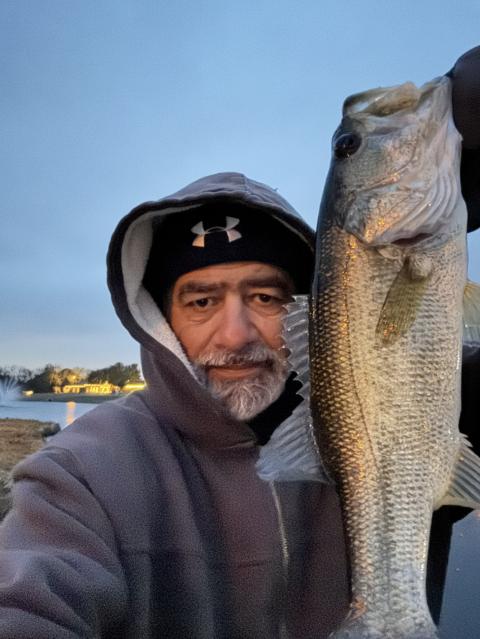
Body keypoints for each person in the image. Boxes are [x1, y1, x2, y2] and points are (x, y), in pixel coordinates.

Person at [0, 47, 479, 638]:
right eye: (201, 301)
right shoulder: (79, 475)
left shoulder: (431, 403)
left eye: (267, 297)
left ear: (316, 309)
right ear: (159, 318)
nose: (236, 334)